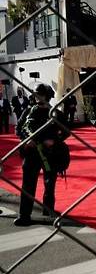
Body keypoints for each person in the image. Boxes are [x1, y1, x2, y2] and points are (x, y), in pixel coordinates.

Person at [14, 83, 69, 226]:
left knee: (49, 185)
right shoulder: (28, 112)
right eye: (37, 94)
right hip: (32, 154)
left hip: (50, 154)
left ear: (48, 96)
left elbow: (66, 131)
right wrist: (26, 140)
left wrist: (54, 141)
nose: (39, 97)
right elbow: (19, 129)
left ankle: (48, 212)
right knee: (28, 185)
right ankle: (24, 215)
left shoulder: (55, 113)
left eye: (42, 95)